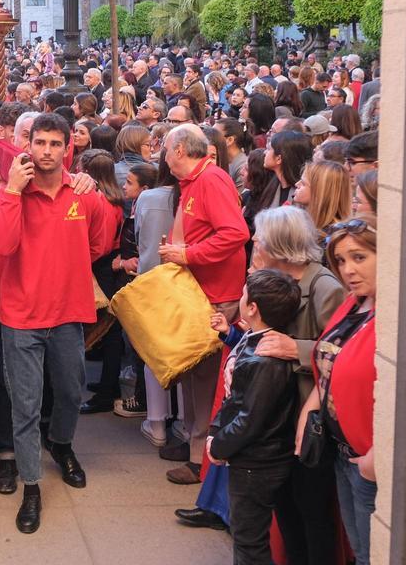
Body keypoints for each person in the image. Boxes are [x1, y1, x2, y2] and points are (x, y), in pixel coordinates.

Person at [0, 113, 117, 534]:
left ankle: (60, 445)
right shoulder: (12, 193)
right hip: (21, 316)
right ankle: (31, 485)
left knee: (68, 391)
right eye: (38, 143)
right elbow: (1, 244)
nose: (45, 151)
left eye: (54, 144)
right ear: (29, 146)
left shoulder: (85, 195)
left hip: (68, 313)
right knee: (25, 405)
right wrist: (10, 189)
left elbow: (100, 243)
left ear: (68, 149)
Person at [157, 124, 250, 485]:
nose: (163, 156)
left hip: (215, 296)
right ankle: (191, 441)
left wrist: (189, 254)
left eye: (166, 149)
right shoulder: (195, 182)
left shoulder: (211, 180)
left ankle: (202, 459)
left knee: (206, 378)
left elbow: (236, 233)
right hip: (198, 292)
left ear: (180, 150)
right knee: (193, 373)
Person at [205, 269, 303, 565]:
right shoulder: (257, 338)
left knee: (249, 541)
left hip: (257, 463)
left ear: (253, 308)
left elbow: (250, 417)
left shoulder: (267, 361)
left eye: (244, 293)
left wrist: (219, 445)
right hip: (254, 458)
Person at [297, 215, 378, 565]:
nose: (348, 270)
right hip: (343, 451)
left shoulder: (394, 317)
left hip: (367, 458)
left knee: (372, 555)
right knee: (360, 549)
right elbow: (329, 362)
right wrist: (309, 410)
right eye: (341, 260)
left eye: (359, 258)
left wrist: (377, 456)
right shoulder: (352, 303)